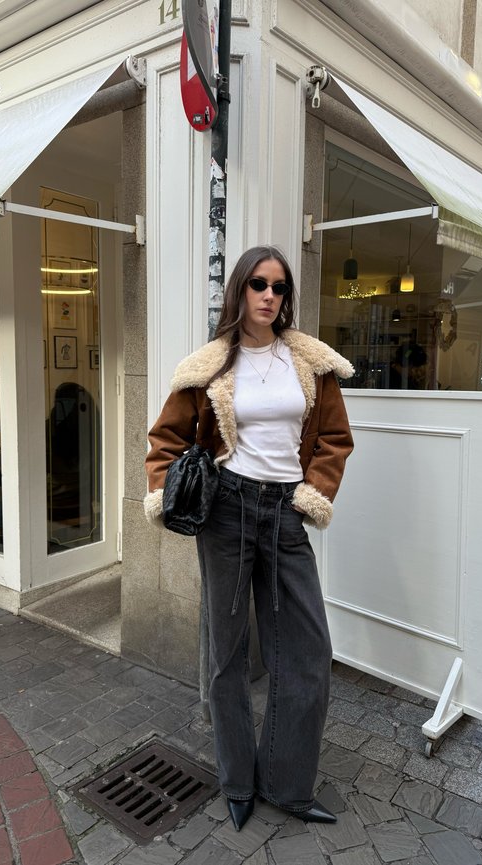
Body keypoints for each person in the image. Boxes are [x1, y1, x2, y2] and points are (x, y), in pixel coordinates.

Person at [144, 245, 354, 831]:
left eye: (279, 287)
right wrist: (165, 491)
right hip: (227, 512)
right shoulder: (209, 366)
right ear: (240, 289)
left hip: (285, 514)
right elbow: (165, 440)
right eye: (258, 284)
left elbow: (335, 438)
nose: (269, 295)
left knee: (308, 651)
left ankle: (287, 784)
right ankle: (237, 780)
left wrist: (313, 492)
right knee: (228, 652)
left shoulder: (309, 362)